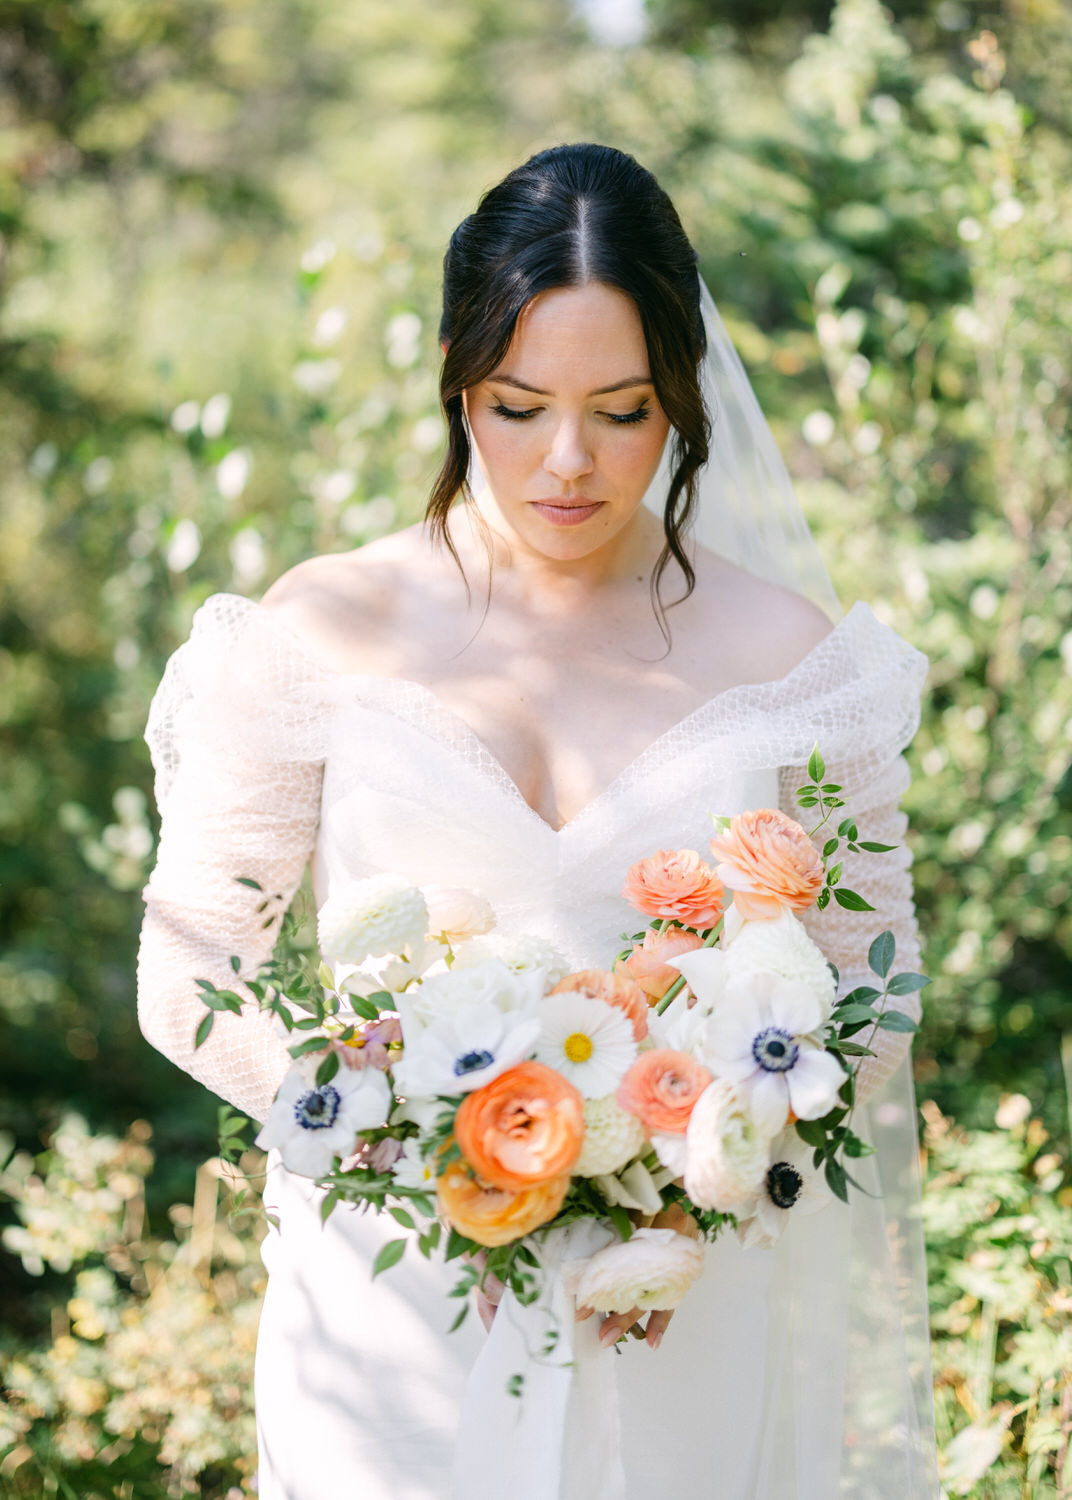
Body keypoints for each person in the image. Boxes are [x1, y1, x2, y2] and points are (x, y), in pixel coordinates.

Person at [137, 143, 938, 1498]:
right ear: (458, 371)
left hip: (673, 1296)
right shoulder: (325, 629)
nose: (568, 461)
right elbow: (191, 959)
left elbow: (875, 982)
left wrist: (689, 1172)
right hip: (388, 1303)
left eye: (623, 412)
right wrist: (385, 1127)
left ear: (681, 394)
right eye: (518, 406)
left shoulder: (793, 659)